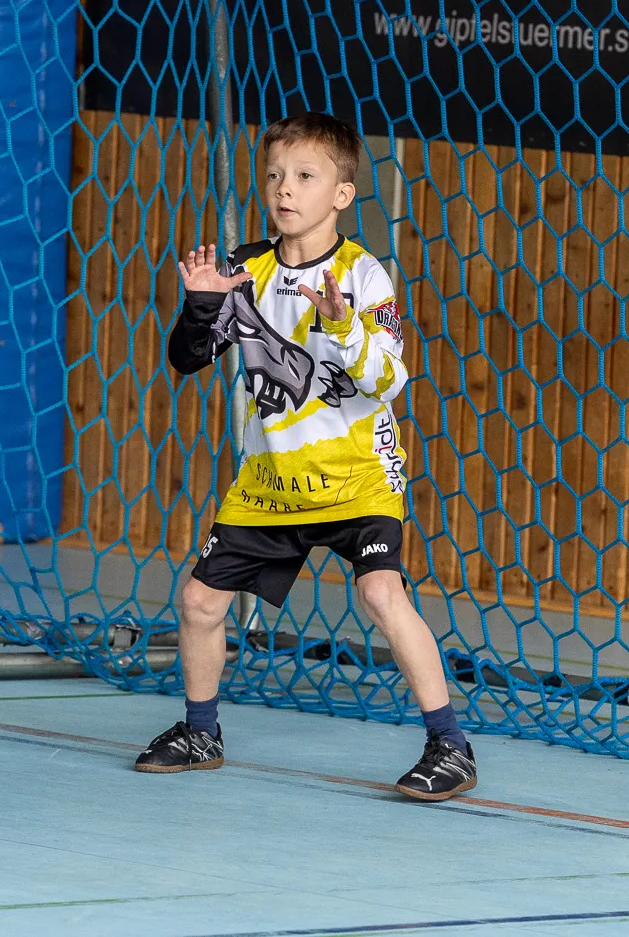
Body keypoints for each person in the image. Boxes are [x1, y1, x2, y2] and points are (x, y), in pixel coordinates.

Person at [133, 111, 476, 801]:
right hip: (272, 483)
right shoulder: (246, 267)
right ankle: (202, 732)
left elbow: (388, 378)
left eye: (305, 177)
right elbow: (186, 359)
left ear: (341, 195)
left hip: (356, 477)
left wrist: (341, 325)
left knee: (381, 591)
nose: (285, 189)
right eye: (275, 175)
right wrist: (201, 309)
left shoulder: (362, 275)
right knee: (199, 601)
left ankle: (450, 742)